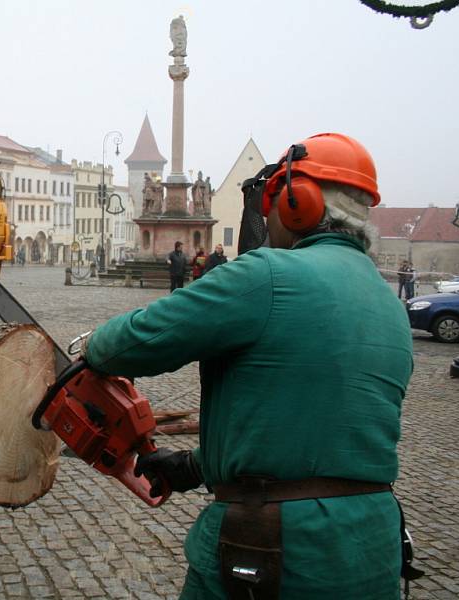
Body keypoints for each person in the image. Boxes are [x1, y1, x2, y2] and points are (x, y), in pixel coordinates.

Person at [80, 133, 416, 599]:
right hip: (372, 546)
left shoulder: (266, 274)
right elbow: (315, 425)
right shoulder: (390, 303)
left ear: (299, 202)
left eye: (272, 200)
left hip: (271, 545)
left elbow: (128, 345)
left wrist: (93, 344)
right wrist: (194, 467)